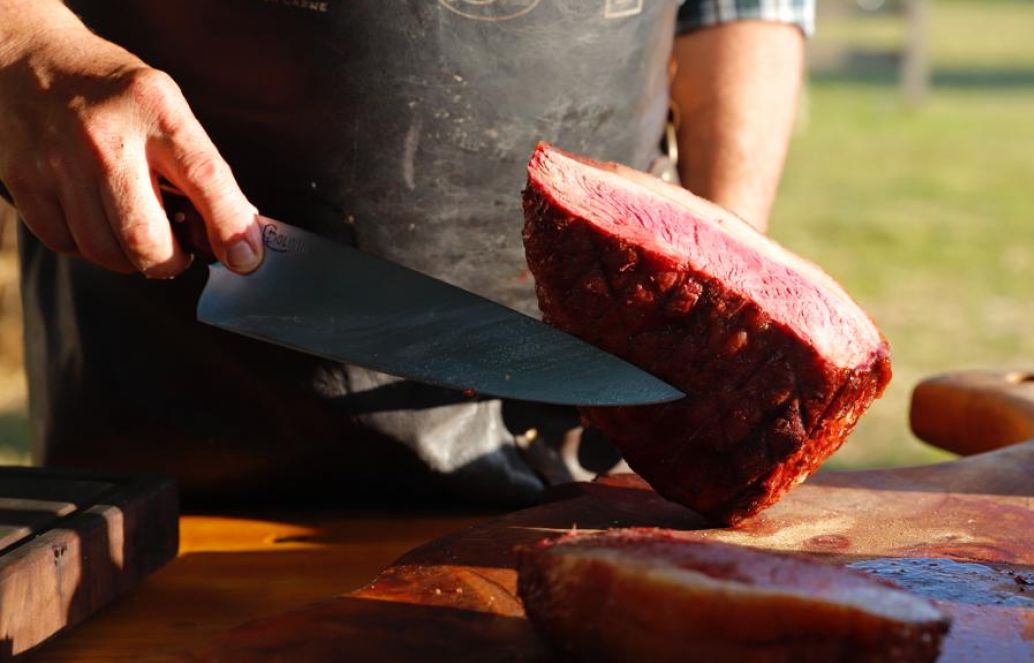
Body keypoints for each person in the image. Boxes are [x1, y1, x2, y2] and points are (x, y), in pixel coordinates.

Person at [0, 0, 811, 507]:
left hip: (592, 488)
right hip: (168, 473)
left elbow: (738, 7)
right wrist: (23, 52)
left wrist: (720, 291)